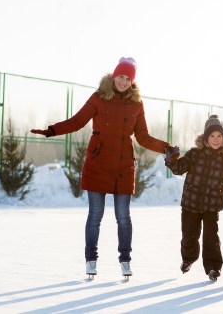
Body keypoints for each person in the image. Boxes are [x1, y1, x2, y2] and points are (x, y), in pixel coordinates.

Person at [31, 57, 178, 279]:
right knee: (95, 214)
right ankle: (91, 259)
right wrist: (52, 130)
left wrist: (165, 147)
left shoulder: (137, 104)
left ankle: (125, 260)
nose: (124, 81)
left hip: (123, 166)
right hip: (98, 163)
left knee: (123, 216)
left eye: (128, 78)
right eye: (121, 76)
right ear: (114, 75)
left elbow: (143, 136)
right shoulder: (99, 97)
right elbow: (77, 121)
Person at [164, 114, 223, 281]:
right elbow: (179, 168)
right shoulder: (194, 154)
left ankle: (213, 267)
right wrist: (171, 159)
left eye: (219, 136)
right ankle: (188, 259)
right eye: (212, 136)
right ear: (205, 138)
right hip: (191, 204)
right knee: (189, 236)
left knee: (211, 238)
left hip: (212, 206)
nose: (215, 139)